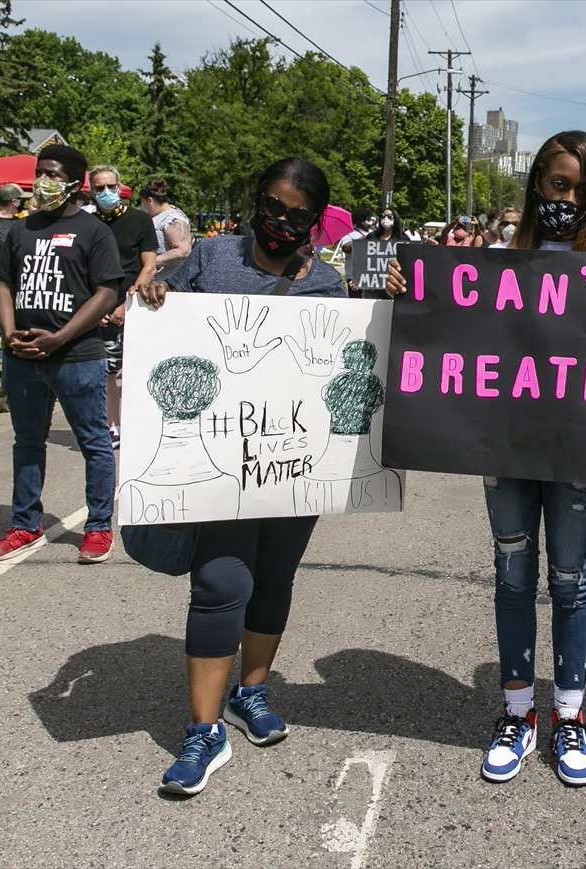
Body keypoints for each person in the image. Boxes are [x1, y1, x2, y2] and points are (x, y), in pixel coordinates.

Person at [383, 130, 586, 788]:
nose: (568, 198)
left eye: (582, 189)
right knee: (513, 572)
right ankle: (518, 711)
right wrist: (411, 290)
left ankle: (570, 715)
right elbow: (445, 333)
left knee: (571, 580)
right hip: (506, 445)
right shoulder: (499, 262)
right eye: (557, 185)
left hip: (580, 449)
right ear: (536, 187)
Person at [133, 157, 378, 796]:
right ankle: (203, 729)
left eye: (298, 216)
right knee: (220, 582)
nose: (280, 222)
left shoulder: (325, 284)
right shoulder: (209, 260)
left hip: (293, 464)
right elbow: (168, 331)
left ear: (315, 223)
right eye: (272, 206)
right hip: (220, 464)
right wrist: (154, 297)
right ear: (256, 199)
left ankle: (253, 691)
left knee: (274, 577)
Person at [0, 144, 122, 564]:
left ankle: (99, 527)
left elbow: (106, 293)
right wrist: (9, 335)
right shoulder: (21, 230)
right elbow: (4, 284)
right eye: (38, 171)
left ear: (73, 183)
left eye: (50, 173)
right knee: (27, 442)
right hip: (23, 358)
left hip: (77, 359)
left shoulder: (94, 231)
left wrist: (59, 337)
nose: (41, 180)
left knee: (94, 443)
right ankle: (25, 524)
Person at [88, 165, 157, 449]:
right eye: (99, 188)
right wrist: (96, 307)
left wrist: (126, 304)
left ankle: (140, 425)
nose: (105, 192)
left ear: (120, 187)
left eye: (110, 187)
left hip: (133, 306)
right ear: (91, 191)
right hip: (97, 309)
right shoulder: (88, 225)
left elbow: (149, 265)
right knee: (105, 371)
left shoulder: (139, 221)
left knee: (136, 369)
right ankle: (112, 426)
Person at [0, 184, 31, 357]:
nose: (24, 204)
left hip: (17, 284)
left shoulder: (21, 224)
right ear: (14, 202)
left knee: (14, 329)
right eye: (21, 200)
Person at [138, 178, 192, 279]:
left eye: (142, 202)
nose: (141, 206)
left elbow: (183, 251)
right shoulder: (158, 216)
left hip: (167, 285)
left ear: (150, 200)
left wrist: (150, 262)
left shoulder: (173, 218)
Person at [337, 205, 375, 293]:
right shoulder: (350, 233)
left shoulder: (372, 232)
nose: (370, 221)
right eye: (368, 219)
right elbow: (345, 248)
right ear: (361, 221)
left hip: (370, 276)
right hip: (354, 276)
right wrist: (364, 239)